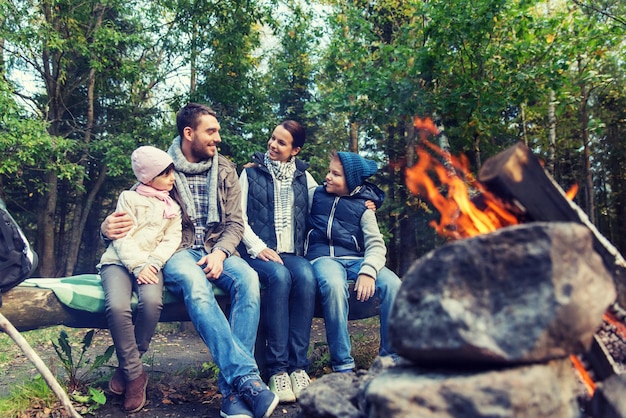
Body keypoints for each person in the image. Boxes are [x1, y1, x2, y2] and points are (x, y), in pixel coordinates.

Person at [101, 103, 278, 418]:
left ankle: (233, 392)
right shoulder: (161, 168)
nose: (218, 138)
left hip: (218, 248)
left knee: (249, 280)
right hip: (177, 252)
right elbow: (134, 216)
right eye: (211, 131)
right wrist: (106, 229)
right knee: (197, 287)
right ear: (188, 133)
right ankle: (248, 381)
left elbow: (236, 223)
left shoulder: (224, 169)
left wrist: (221, 252)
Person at [98, 146, 184, 413]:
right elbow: (120, 236)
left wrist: (153, 264)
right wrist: (136, 265)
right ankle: (135, 376)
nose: (173, 178)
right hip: (119, 263)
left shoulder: (173, 207)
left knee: (151, 302)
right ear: (148, 177)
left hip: (152, 265)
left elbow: (172, 238)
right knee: (117, 307)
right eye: (166, 173)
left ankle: (127, 368)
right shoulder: (128, 198)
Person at [238, 120, 317, 403]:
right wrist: (258, 248)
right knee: (280, 278)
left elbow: (330, 201)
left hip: (292, 253)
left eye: (281, 142)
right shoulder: (250, 174)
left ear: (295, 150)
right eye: (273, 138)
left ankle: (298, 367)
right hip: (257, 253)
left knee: (307, 277)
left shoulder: (304, 179)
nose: (273, 145)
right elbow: (238, 218)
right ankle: (277, 370)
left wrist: (367, 199)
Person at [304, 151, 402, 373]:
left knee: (394, 285)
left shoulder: (364, 208)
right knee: (334, 286)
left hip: (356, 260)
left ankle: (390, 359)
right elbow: (293, 180)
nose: (328, 176)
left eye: (335, 174)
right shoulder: (316, 195)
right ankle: (343, 363)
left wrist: (368, 271)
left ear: (351, 180)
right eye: (329, 171)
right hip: (323, 257)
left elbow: (376, 245)